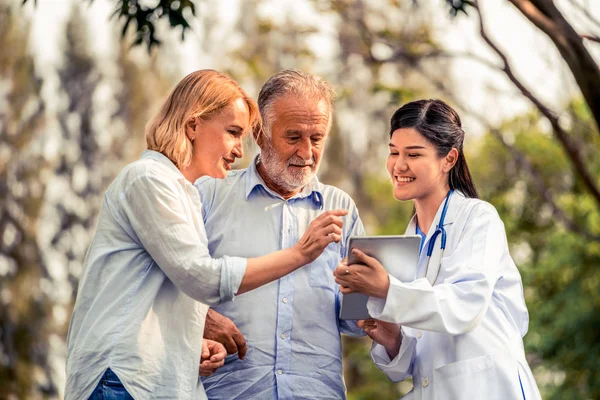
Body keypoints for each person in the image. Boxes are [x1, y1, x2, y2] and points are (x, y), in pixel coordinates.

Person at [65, 70, 348, 400]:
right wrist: (301, 253)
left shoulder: (183, 192)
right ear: (193, 125)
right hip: (122, 379)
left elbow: (162, 291)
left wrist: (192, 343)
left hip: (157, 381)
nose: (239, 151)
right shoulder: (148, 179)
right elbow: (203, 278)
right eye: (232, 133)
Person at [334, 99, 541, 400]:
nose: (398, 165)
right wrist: (391, 337)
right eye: (393, 152)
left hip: (491, 388)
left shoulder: (478, 218)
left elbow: (464, 305)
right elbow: (406, 367)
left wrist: (388, 290)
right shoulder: (405, 245)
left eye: (413, 154)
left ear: (449, 158)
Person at [196, 69, 365, 399]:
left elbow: (354, 321)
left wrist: (372, 297)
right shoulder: (210, 195)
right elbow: (169, 283)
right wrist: (199, 318)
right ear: (259, 132)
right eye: (293, 137)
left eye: (316, 138)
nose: (306, 152)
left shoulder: (341, 207)